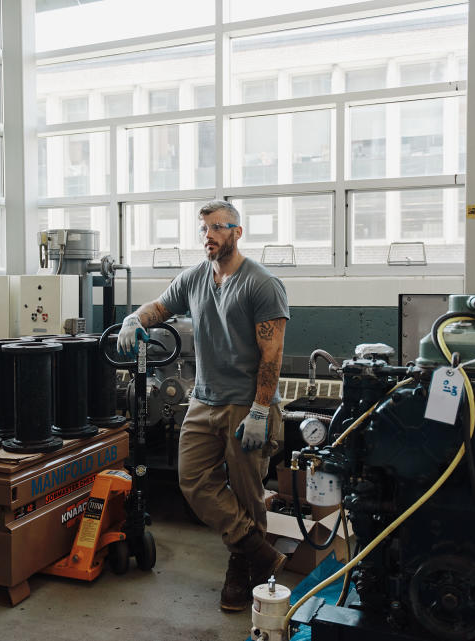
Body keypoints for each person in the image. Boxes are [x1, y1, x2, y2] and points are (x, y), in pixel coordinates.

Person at [117, 200, 290, 611]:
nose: (208, 236)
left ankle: (245, 569)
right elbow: (159, 308)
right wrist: (133, 320)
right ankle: (257, 550)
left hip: (246, 407)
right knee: (192, 480)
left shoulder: (262, 284)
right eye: (204, 229)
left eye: (217, 227)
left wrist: (261, 411)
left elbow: (273, 357)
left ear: (237, 232)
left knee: (249, 493)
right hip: (203, 400)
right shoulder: (195, 278)